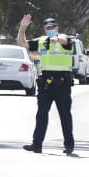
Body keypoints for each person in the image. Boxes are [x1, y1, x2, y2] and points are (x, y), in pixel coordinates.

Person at [17, 14, 75, 154]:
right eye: (47, 27)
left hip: (62, 83)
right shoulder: (42, 41)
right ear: (44, 29)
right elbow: (21, 43)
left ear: (57, 28)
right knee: (41, 114)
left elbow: (64, 40)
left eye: (52, 27)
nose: (50, 29)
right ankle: (37, 144)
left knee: (65, 116)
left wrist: (57, 38)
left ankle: (69, 145)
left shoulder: (65, 40)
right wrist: (22, 27)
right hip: (46, 84)